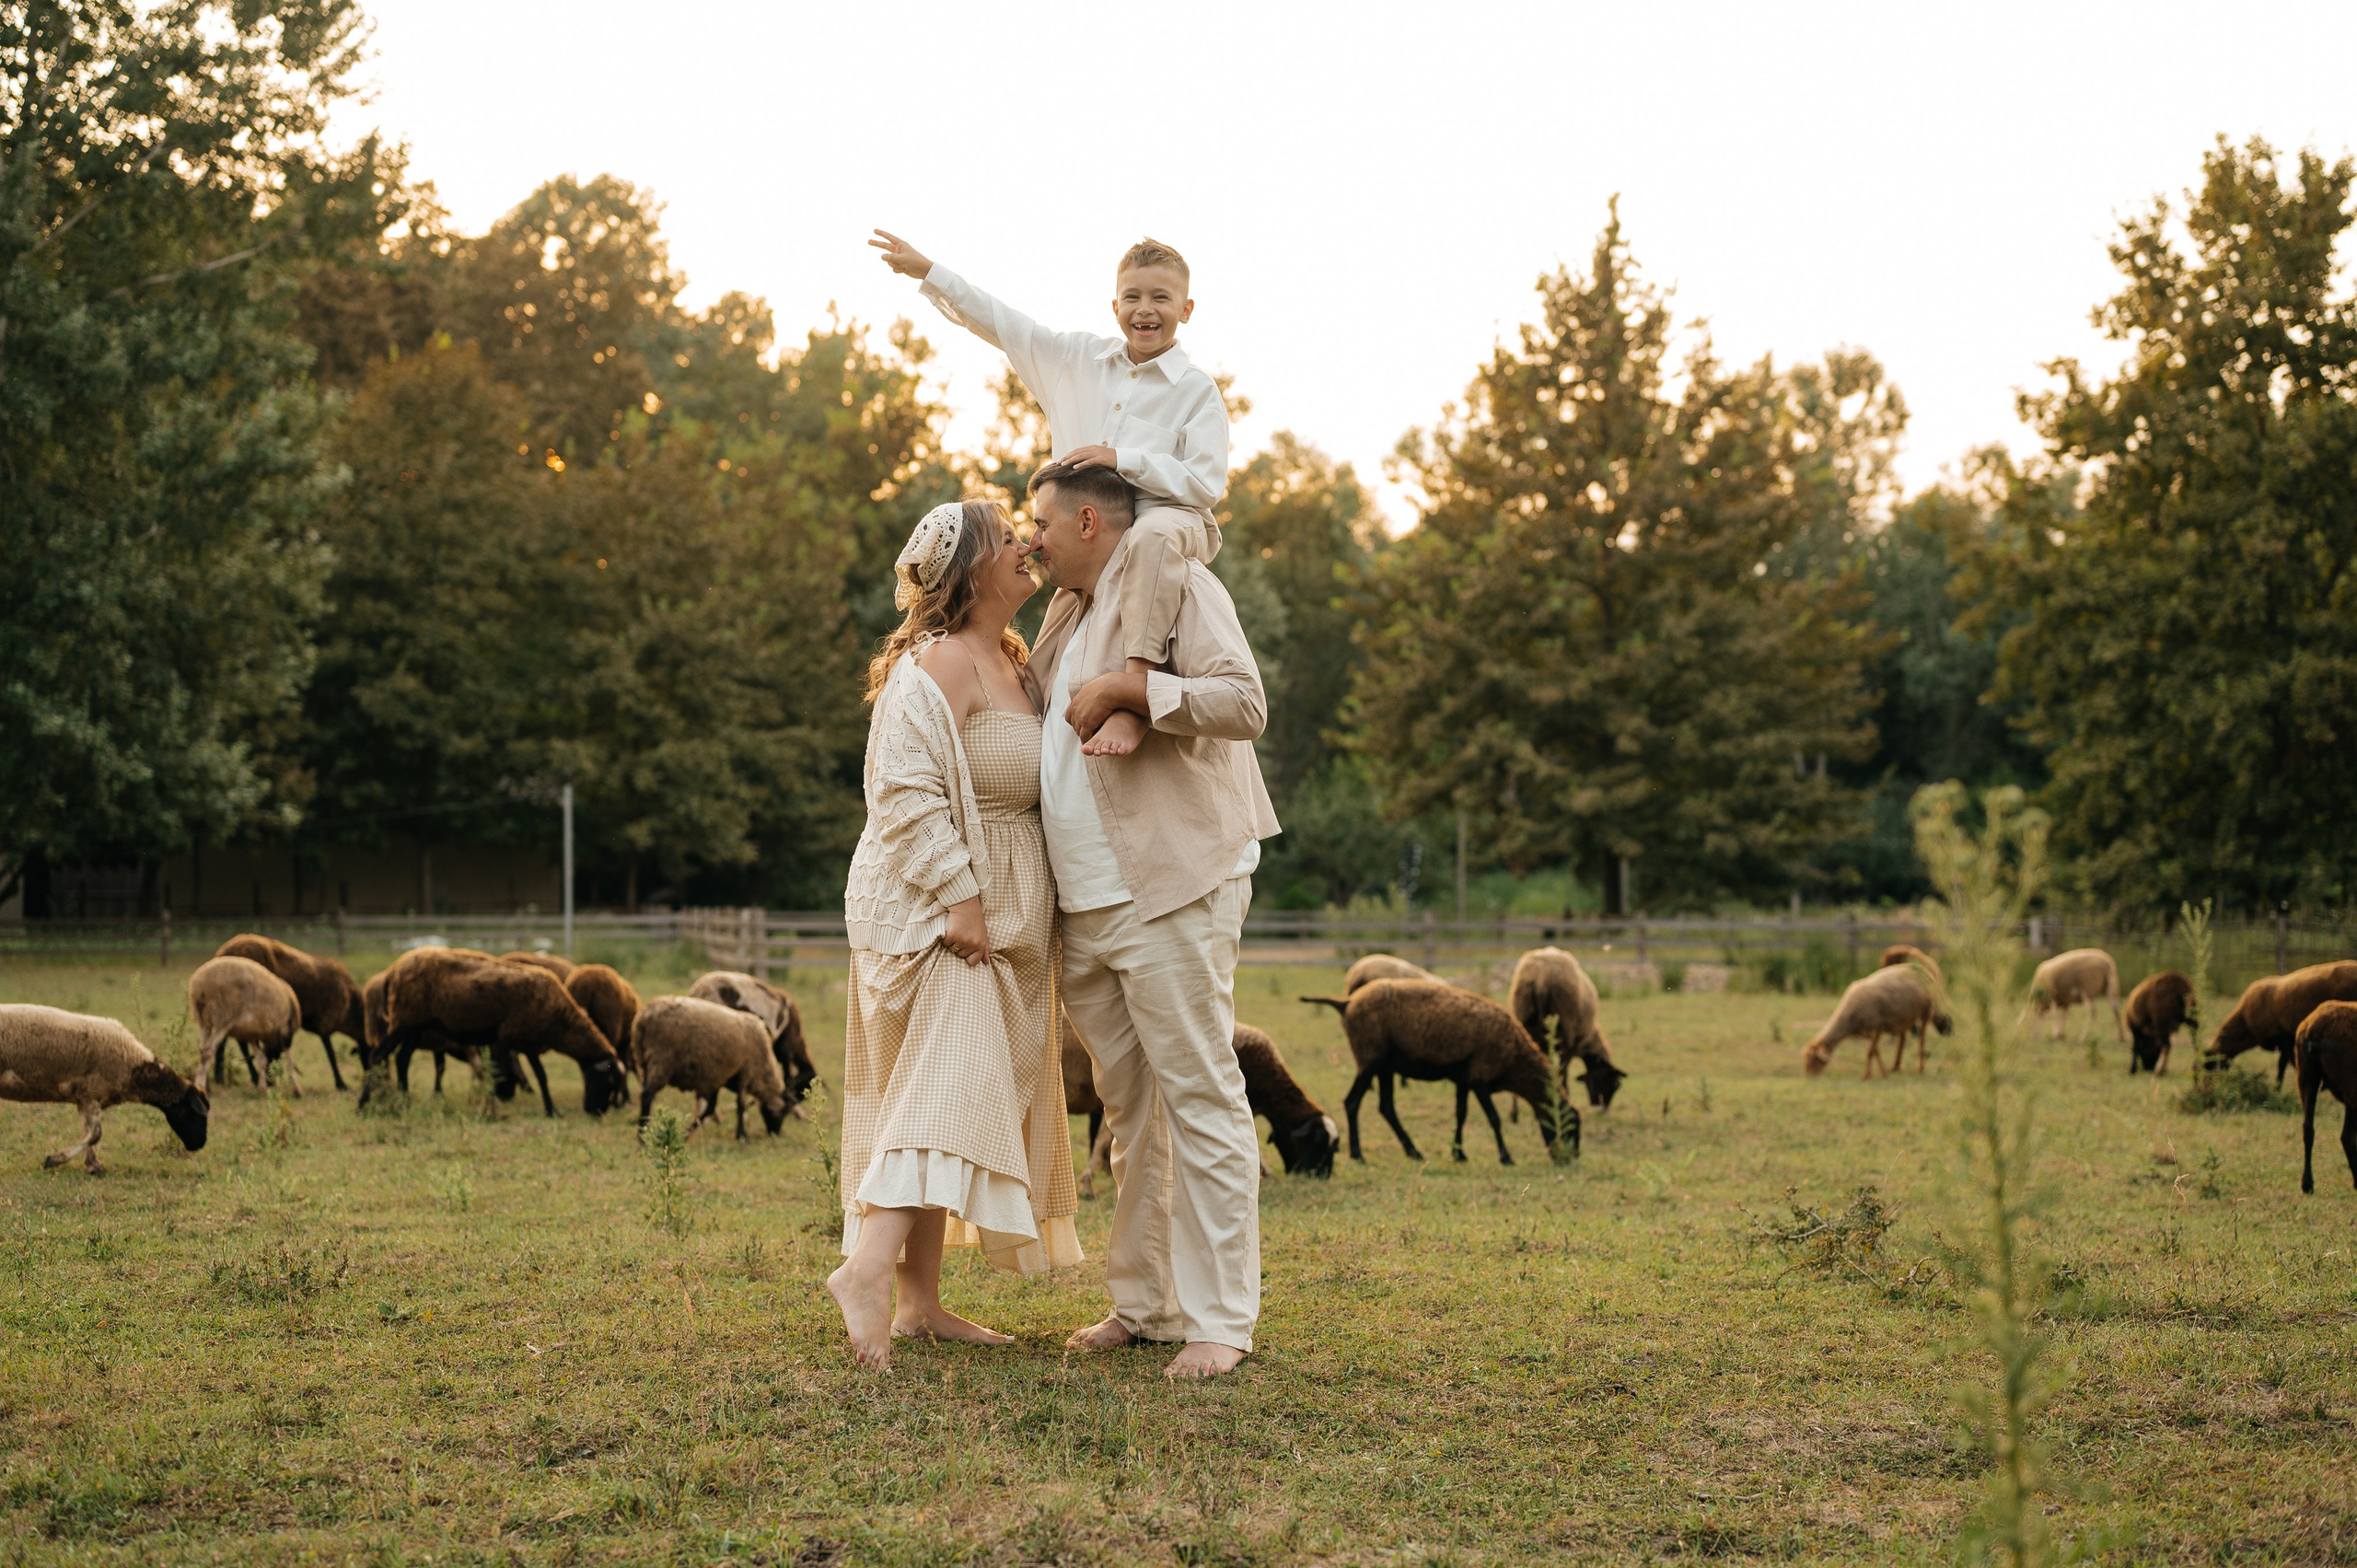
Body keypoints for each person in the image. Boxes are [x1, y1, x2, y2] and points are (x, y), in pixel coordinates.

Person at [1021, 459, 1279, 1379]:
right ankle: (1147, 1303)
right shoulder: (1069, 611)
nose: (1032, 536)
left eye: (1040, 521)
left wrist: (1140, 693)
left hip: (1167, 886)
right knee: (1133, 1108)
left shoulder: (1181, 583)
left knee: (1200, 1093)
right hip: (1084, 905)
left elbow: (1241, 699)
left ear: (1089, 520)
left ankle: (1221, 1319)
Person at [829, 499, 1080, 1371]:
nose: (1026, 545)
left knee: (946, 1094)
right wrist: (958, 897)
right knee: (945, 1090)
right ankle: (864, 1272)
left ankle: (920, 1303)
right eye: (1009, 536)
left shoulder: (1014, 660)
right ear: (973, 567)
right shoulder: (939, 662)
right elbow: (902, 790)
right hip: (936, 915)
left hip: (1005, 917)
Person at [869, 226, 1227, 760]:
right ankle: (1014, 740)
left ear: (1187, 308)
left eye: (1161, 298)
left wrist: (1122, 459)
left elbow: (1206, 482)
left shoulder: (1196, 390)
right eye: (1132, 297)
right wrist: (930, 272)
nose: (1145, 309)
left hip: (1170, 522)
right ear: (1114, 305)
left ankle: (1133, 693)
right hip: (1091, 543)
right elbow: (1005, 324)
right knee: (1051, 633)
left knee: (1150, 535)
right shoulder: (1077, 362)